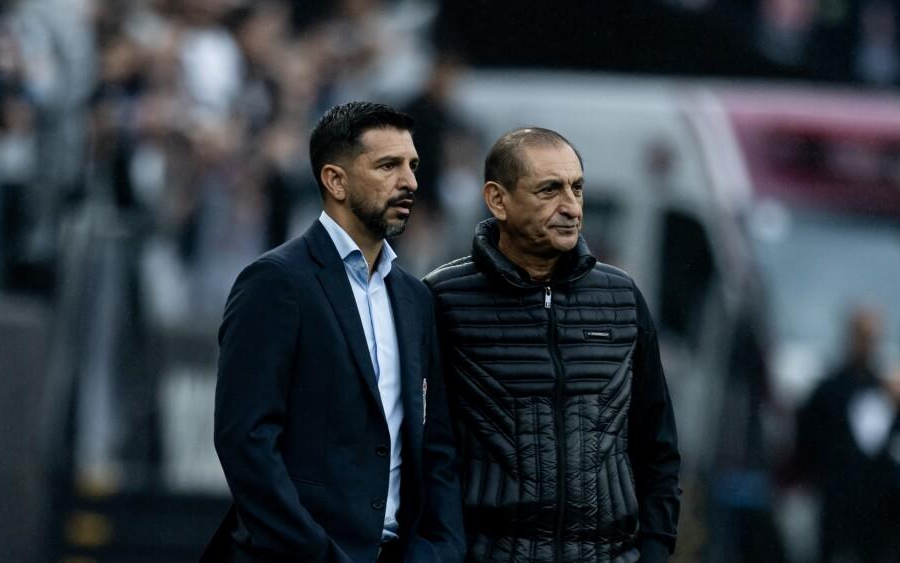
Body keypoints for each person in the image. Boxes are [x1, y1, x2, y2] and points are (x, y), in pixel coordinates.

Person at [201, 102, 464, 563]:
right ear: (335, 180)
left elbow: (435, 446)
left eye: (413, 165)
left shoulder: (416, 299)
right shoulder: (276, 282)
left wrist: (440, 550)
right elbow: (246, 443)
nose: (410, 182)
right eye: (388, 165)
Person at [424, 128, 681, 562]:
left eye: (576, 188)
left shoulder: (621, 298)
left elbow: (657, 445)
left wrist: (654, 551)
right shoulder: (443, 300)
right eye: (549, 190)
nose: (570, 206)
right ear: (497, 200)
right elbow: (427, 453)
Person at [795, 306, 890, 563]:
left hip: (873, 511)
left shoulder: (883, 392)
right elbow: (805, 446)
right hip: (833, 504)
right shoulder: (829, 391)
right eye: (864, 336)